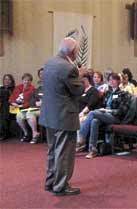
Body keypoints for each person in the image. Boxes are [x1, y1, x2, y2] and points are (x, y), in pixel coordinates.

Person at [39, 37, 84, 196]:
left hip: (49, 114)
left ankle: (50, 182)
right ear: (72, 52)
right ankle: (61, 186)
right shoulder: (69, 68)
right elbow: (78, 91)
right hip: (64, 115)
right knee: (64, 152)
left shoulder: (49, 63)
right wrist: (80, 75)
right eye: (76, 51)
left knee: (52, 150)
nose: (77, 53)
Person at [78, 73, 132, 159]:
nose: (111, 81)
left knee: (92, 113)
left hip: (115, 117)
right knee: (94, 121)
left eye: (113, 79)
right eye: (110, 80)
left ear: (118, 81)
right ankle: (93, 150)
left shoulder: (123, 94)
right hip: (104, 115)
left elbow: (122, 111)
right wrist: (102, 109)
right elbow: (101, 105)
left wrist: (108, 110)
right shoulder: (108, 93)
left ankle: (81, 138)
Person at [9, 73, 37, 142]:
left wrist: (21, 106)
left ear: (31, 81)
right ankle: (26, 133)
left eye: (28, 80)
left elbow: (31, 102)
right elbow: (12, 97)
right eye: (25, 80)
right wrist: (13, 103)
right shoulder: (18, 87)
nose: (26, 82)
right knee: (18, 117)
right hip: (15, 108)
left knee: (29, 116)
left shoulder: (32, 89)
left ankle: (33, 134)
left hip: (27, 108)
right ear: (22, 80)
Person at [0, 74, 15, 140]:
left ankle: (4, 132)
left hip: (12, 109)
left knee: (6, 104)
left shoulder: (14, 89)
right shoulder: (1, 88)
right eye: (5, 79)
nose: (7, 81)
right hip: (2, 108)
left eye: (9, 79)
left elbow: (12, 99)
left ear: (12, 81)